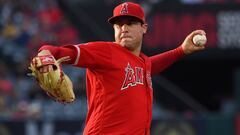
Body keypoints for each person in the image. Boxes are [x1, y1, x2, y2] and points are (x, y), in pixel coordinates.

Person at [35, 2, 205, 135]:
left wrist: (181, 51)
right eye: (118, 24)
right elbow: (57, 50)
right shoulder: (105, 52)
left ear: (144, 28)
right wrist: (45, 53)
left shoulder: (141, 62)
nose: (124, 28)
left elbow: (149, 67)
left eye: (130, 23)